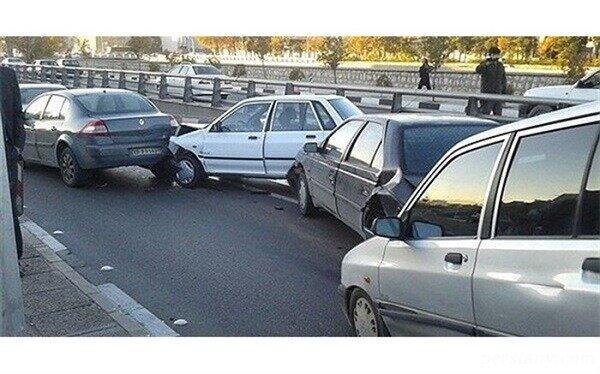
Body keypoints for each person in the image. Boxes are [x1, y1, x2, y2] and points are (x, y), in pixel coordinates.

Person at [1, 65, 25, 262]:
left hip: (6, 151)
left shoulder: (7, 75)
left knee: (7, 206)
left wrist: (17, 145)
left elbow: (17, 112)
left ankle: (14, 259)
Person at [475, 46, 507, 115]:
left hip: (498, 93)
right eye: (496, 54)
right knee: (485, 113)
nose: (498, 56)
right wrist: (487, 64)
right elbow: (478, 70)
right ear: (491, 55)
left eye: (498, 54)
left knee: (498, 114)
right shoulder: (485, 63)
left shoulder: (500, 65)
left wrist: (504, 92)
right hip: (487, 93)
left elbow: (503, 79)